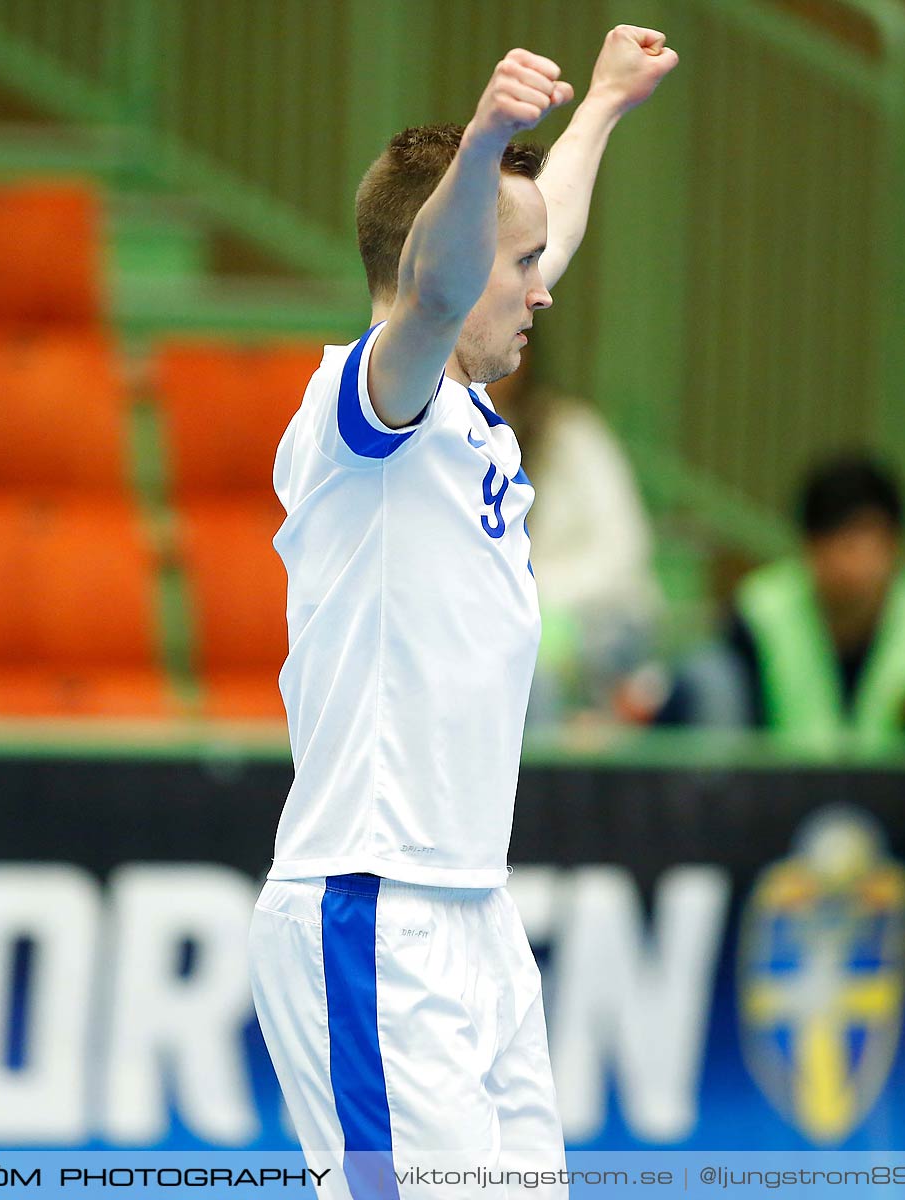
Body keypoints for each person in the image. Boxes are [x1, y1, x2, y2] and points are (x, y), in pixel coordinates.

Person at [247, 28, 678, 1197]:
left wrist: (597, 113)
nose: (544, 286)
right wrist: (489, 136)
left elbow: (529, 242)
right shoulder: (363, 409)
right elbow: (443, 283)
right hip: (374, 907)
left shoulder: (471, 410)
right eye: (519, 264)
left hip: (471, 907)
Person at [721, 454, 905, 746]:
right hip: (776, 789)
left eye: (863, 541)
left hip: (895, 791)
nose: (849, 563)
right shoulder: (760, 611)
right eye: (837, 541)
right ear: (809, 546)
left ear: (895, 545)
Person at [485, 351, 665, 726]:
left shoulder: (573, 433)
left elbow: (624, 548)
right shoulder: (445, 437)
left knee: (534, 676)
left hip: (599, 620)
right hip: (507, 623)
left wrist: (534, 591)